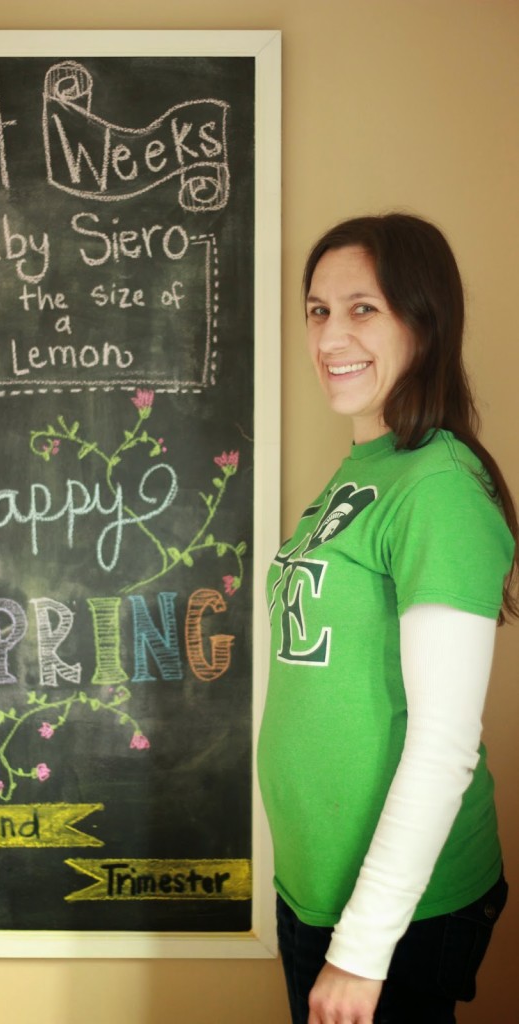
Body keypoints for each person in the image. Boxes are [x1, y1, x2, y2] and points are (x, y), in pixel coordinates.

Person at [257, 213, 517, 1024]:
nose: (331, 335)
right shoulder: (369, 468)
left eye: (362, 308)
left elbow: (444, 744)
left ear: (423, 321)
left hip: (396, 916)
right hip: (319, 886)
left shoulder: (438, 487)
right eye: (318, 310)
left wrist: (362, 950)